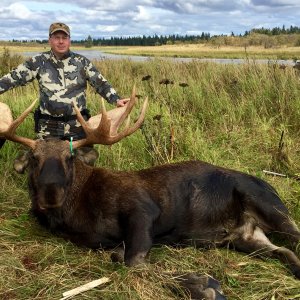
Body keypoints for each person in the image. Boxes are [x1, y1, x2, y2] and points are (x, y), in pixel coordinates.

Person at [0, 22, 129, 168]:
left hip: (78, 127)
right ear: (50, 40)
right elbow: (11, 79)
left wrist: (116, 99)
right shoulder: (37, 62)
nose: (61, 41)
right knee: (41, 166)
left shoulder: (82, 62)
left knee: (84, 164)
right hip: (48, 128)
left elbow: (101, 84)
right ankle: (28, 158)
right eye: (57, 37)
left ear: (69, 40)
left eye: (64, 37)